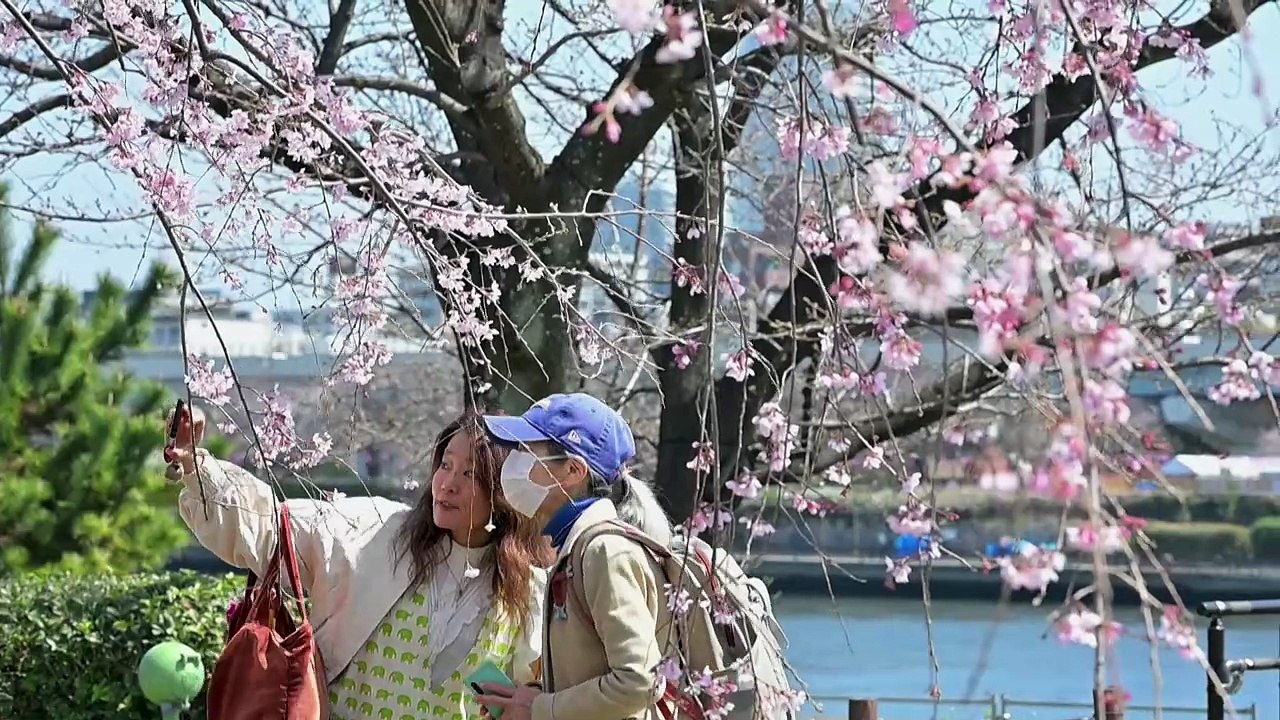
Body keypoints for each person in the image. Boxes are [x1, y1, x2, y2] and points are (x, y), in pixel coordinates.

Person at [166, 407, 552, 720]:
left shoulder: (525, 587)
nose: (447, 483)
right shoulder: (377, 532)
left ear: (504, 492)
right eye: (445, 465)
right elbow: (272, 527)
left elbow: (527, 690)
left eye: (469, 473)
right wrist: (199, 467)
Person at [473, 393, 672, 720]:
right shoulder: (575, 548)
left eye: (527, 451)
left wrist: (538, 709)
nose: (513, 462)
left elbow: (640, 682)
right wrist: (530, 697)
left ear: (572, 470)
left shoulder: (604, 552)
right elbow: (593, 670)